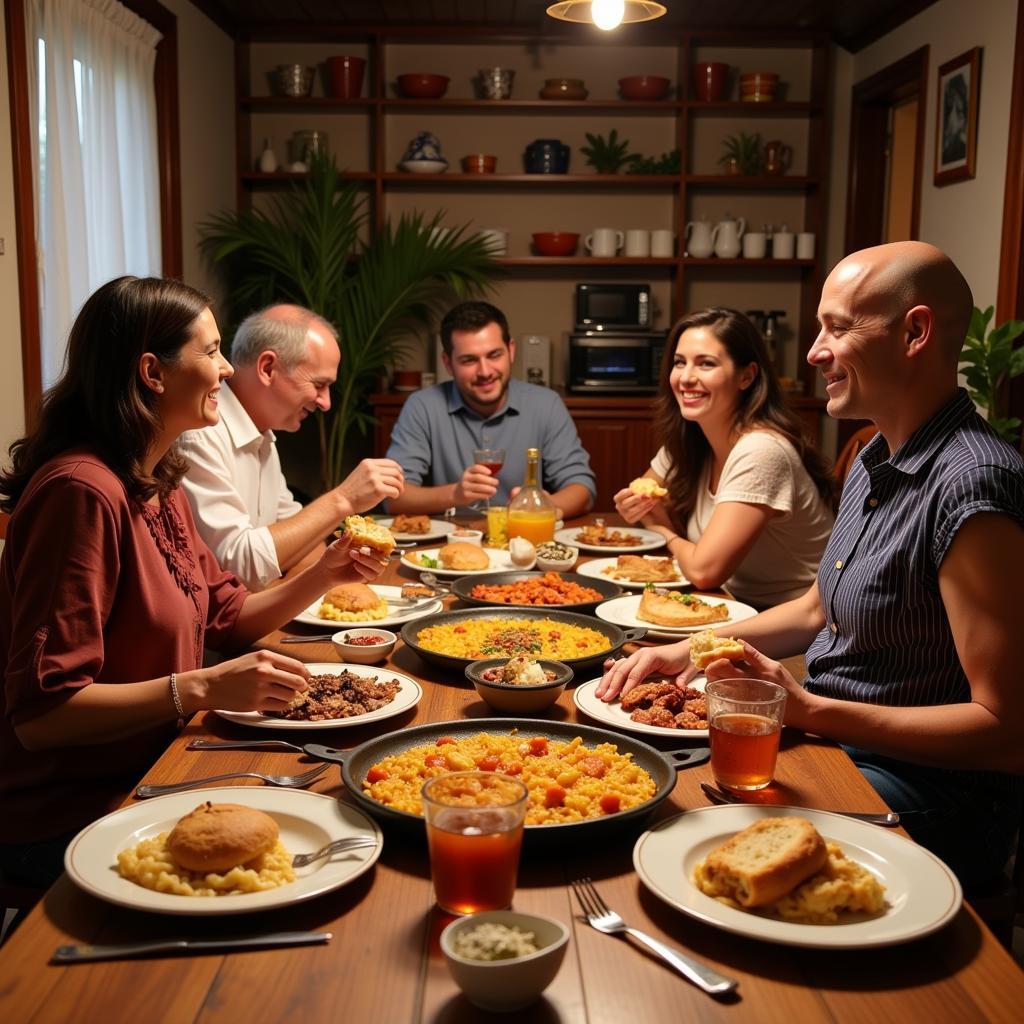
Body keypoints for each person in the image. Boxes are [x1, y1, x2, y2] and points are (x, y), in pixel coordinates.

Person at [599, 242, 1024, 889]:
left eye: (837, 328)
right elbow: (817, 607)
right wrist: (687, 648)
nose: (813, 353)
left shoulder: (974, 482)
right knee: (635, 780)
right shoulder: (878, 453)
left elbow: (1006, 729)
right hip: (838, 743)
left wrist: (806, 709)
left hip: (929, 791)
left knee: (680, 831)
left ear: (914, 332)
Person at [0, 277, 387, 889]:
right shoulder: (80, 492)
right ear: (153, 372)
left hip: (159, 772)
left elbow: (226, 617)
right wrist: (202, 686)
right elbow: (43, 715)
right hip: (71, 815)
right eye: (210, 353)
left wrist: (326, 571)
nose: (227, 372)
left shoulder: (159, 478)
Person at [613, 308, 834, 608]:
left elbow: (705, 572)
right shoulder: (694, 435)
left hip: (794, 630)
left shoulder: (761, 450)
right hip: (728, 604)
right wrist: (639, 507)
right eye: (680, 363)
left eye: (706, 364)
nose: (686, 378)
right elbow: (642, 492)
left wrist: (659, 530)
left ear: (746, 376)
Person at [178, 304, 405, 590]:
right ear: (268, 368)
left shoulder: (261, 434)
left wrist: (338, 576)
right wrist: (344, 499)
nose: (326, 402)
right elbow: (238, 566)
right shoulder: (199, 433)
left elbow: (300, 537)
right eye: (319, 384)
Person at [384, 301, 595, 516]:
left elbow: (581, 487)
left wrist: (543, 508)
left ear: (511, 351)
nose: (485, 371)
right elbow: (393, 498)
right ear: (448, 363)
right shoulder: (422, 406)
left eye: (494, 355)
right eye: (469, 360)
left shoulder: (547, 404)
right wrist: (454, 495)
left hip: (526, 542)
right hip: (451, 545)